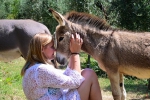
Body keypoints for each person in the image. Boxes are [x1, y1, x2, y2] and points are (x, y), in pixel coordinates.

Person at [21, 32, 102, 100]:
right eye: (52, 47)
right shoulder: (40, 70)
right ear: (42, 49)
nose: (55, 50)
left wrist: (71, 53)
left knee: (85, 72)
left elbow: (65, 77)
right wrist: (75, 53)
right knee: (89, 74)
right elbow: (75, 82)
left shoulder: (31, 69)